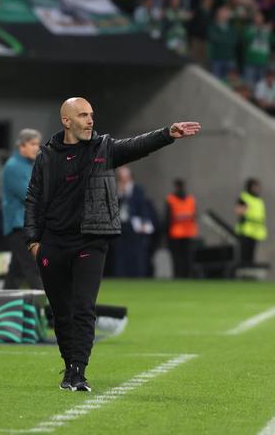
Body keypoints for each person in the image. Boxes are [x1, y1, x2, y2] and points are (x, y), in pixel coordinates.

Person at [24, 97, 200, 392]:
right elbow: (32, 198)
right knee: (61, 312)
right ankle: (69, 367)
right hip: (53, 242)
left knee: (83, 308)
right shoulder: (47, 156)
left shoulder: (102, 148)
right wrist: (33, 241)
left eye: (91, 114)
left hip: (90, 241)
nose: (90, 120)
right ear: (66, 121)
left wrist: (167, 133)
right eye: (83, 115)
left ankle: (78, 371)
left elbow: (135, 146)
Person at [1, 129, 43, 290]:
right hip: (20, 226)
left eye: (37, 144)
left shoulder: (28, 165)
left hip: (25, 225)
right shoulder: (14, 166)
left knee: (16, 273)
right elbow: (29, 196)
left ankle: (3, 304)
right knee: (34, 268)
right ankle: (43, 305)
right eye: (32, 144)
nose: (36, 147)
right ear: (22, 146)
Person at [110, 166, 154, 278]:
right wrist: (120, 194)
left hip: (134, 227)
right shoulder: (115, 190)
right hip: (120, 227)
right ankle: (121, 275)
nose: (123, 180)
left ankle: (137, 275)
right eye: (120, 177)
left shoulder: (138, 190)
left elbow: (143, 208)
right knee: (120, 254)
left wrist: (144, 223)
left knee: (136, 253)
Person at [166, 178, 198, 278]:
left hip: (182, 232)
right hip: (179, 232)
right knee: (181, 257)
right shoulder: (173, 199)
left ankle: (183, 274)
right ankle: (182, 274)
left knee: (183, 257)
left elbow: (167, 217)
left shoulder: (173, 199)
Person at [235, 178, 267, 267]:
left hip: (256, 232)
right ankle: (243, 271)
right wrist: (244, 209)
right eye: (254, 186)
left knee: (251, 255)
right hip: (246, 231)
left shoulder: (259, 200)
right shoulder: (244, 197)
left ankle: (249, 270)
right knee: (244, 255)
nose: (257, 188)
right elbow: (238, 211)